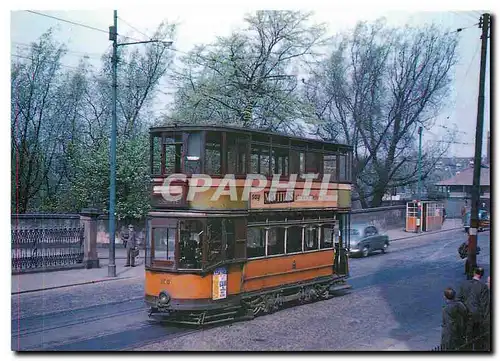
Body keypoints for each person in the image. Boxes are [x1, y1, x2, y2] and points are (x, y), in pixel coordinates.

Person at [458, 267, 490, 350]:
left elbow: (459, 300)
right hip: (477, 316)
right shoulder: (483, 287)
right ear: (482, 275)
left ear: (474, 273)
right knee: (477, 339)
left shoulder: (464, 284)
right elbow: (484, 304)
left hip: (466, 314)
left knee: (468, 338)